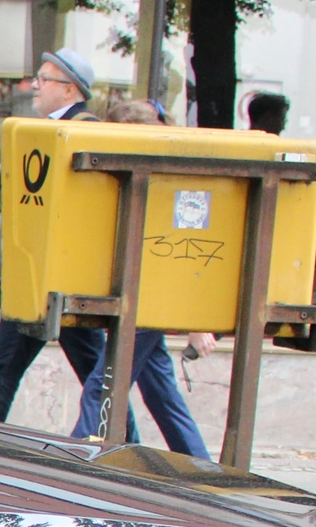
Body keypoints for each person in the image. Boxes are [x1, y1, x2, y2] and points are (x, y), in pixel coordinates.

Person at [70, 98, 215, 458]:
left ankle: (72, 460)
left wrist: (194, 319)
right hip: (145, 294)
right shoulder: (154, 173)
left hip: (147, 296)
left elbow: (183, 251)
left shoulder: (161, 178)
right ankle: (202, 470)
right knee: (160, 392)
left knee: (103, 386)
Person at [0, 49, 107, 424]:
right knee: (4, 366)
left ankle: (127, 447)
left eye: (44, 79)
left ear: (69, 90)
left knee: (96, 375)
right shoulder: (42, 132)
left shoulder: (85, 131)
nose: (35, 85)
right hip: (36, 275)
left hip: (65, 278)